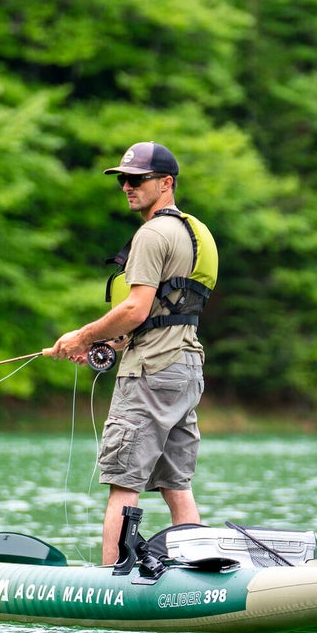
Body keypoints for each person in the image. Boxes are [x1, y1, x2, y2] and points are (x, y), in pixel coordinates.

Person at [47, 142, 218, 564]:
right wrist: (112, 342)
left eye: (138, 179)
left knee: (123, 480)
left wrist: (82, 337)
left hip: (151, 371)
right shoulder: (194, 232)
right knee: (176, 484)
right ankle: (197, 569)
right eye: (124, 179)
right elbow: (164, 312)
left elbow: (135, 307)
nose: (127, 186)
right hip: (186, 368)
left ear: (166, 183)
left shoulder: (152, 233)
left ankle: (112, 584)